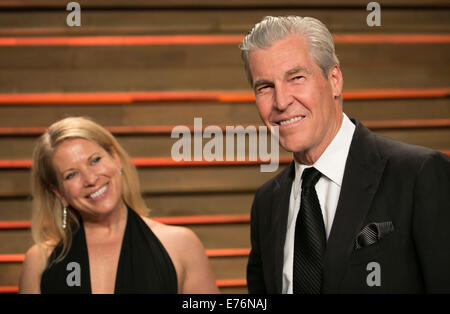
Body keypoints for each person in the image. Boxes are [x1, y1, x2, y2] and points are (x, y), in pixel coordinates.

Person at [240, 16, 450, 293]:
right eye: (265, 87)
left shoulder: (418, 174)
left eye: (297, 78)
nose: (281, 102)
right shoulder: (267, 203)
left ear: (334, 79)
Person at [19, 116, 219, 294]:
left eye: (95, 160)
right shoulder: (40, 262)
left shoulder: (180, 245)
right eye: (71, 174)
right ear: (59, 192)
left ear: (115, 159)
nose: (90, 178)